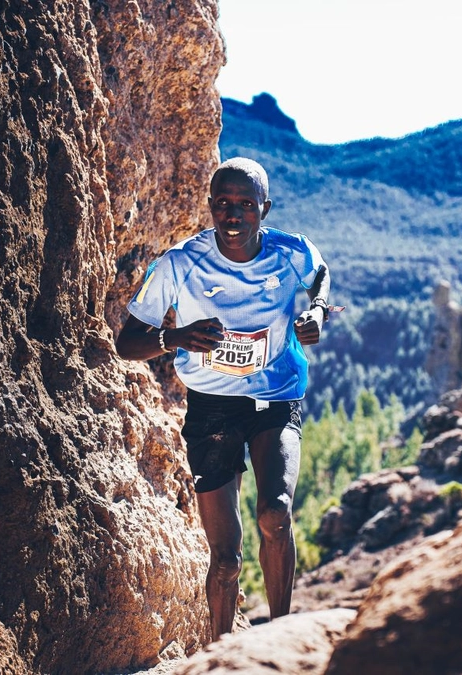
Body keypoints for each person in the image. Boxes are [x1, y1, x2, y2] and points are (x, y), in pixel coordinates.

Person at [115, 157, 331, 638]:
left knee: (275, 514)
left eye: (246, 206)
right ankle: (220, 654)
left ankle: (281, 641)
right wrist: (178, 337)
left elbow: (318, 275)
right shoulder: (179, 263)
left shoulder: (291, 253)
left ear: (265, 209)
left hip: (275, 400)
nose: (233, 216)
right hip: (211, 408)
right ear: (210, 207)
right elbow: (126, 343)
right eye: (223, 205)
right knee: (226, 558)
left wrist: (316, 311)